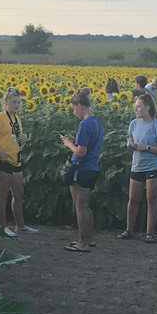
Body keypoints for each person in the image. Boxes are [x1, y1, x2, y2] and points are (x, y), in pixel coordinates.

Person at [0, 89, 38, 239]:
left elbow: (15, 138)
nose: (17, 105)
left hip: (16, 159)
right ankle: (2, 227)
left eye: (19, 102)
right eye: (14, 102)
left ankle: (20, 226)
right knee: (3, 193)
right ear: (6, 102)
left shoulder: (16, 118)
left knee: (18, 194)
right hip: (1, 160)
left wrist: (23, 138)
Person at [119, 92, 157, 243]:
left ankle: (150, 233)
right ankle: (129, 230)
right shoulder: (133, 124)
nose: (135, 109)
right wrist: (131, 144)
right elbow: (131, 138)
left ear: (147, 108)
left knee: (151, 199)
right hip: (137, 165)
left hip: (153, 166)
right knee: (133, 199)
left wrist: (146, 148)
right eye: (135, 106)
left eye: (138, 106)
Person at [59, 89, 103, 252]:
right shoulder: (97, 121)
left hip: (82, 168)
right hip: (93, 168)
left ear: (79, 105)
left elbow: (81, 152)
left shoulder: (84, 124)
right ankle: (88, 239)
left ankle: (83, 243)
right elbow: (88, 144)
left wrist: (67, 143)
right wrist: (75, 140)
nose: (73, 112)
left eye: (73, 108)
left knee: (80, 206)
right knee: (86, 205)